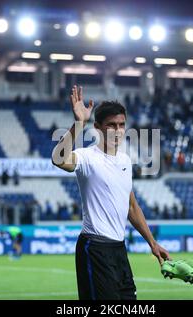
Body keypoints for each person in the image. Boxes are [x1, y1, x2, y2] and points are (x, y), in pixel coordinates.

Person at [51, 85, 170, 300]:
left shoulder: (125, 161)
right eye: (111, 125)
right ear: (97, 127)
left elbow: (132, 206)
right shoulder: (87, 157)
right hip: (94, 249)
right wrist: (79, 124)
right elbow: (58, 159)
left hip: (118, 250)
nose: (118, 130)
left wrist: (153, 243)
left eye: (122, 125)